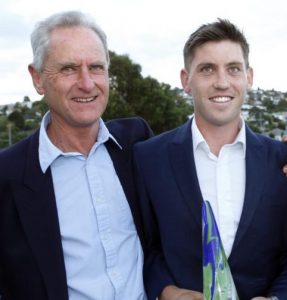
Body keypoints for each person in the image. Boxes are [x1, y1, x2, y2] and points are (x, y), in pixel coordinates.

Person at [0, 11, 152, 300]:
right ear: (38, 79)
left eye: (96, 67)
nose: (86, 83)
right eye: (69, 68)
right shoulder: (7, 173)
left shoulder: (137, 142)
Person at [134, 19, 287, 300]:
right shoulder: (149, 157)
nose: (221, 82)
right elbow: (146, 246)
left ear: (248, 77)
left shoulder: (281, 160)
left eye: (233, 69)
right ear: (185, 80)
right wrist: (168, 292)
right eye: (207, 69)